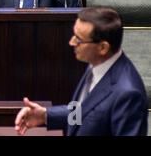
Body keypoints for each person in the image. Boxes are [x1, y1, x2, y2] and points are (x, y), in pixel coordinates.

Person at [15, 7, 148, 136]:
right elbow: (84, 111)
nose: (71, 42)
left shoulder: (128, 94)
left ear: (102, 47)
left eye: (79, 39)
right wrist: (45, 115)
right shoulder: (96, 64)